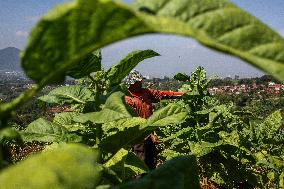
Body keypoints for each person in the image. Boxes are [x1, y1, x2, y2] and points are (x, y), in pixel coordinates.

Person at [124, 70, 186, 169]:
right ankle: (140, 183)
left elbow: (161, 94)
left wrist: (181, 94)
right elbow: (132, 122)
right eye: (138, 82)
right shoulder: (127, 98)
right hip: (137, 136)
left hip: (149, 132)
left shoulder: (145, 92)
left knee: (151, 160)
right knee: (141, 162)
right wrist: (149, 134)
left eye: (140, 81)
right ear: (131, 83)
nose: (140, 83)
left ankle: (150, 181)